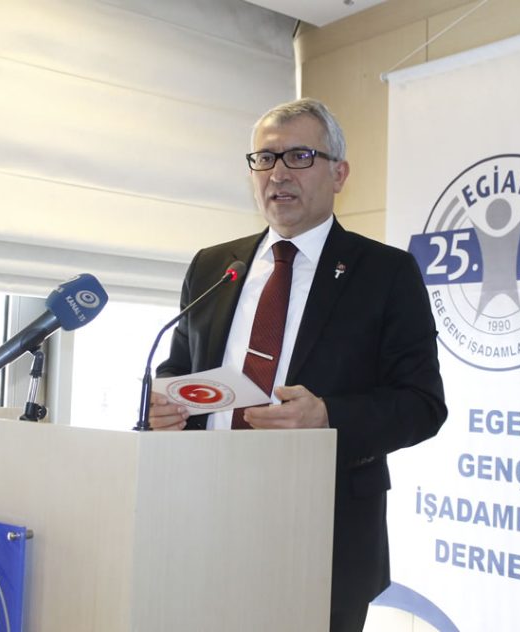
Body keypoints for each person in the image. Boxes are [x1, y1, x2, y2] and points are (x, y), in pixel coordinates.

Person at [149, 97, 447, 632]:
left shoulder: (386, 272)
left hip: (323, 534)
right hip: (203, 518)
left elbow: (422, 405)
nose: (278, 173)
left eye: (300, 156)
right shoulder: (214, 265)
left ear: (340, 174)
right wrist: (164, 406)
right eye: (265, 158)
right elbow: (179, 369)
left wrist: (327, 416)